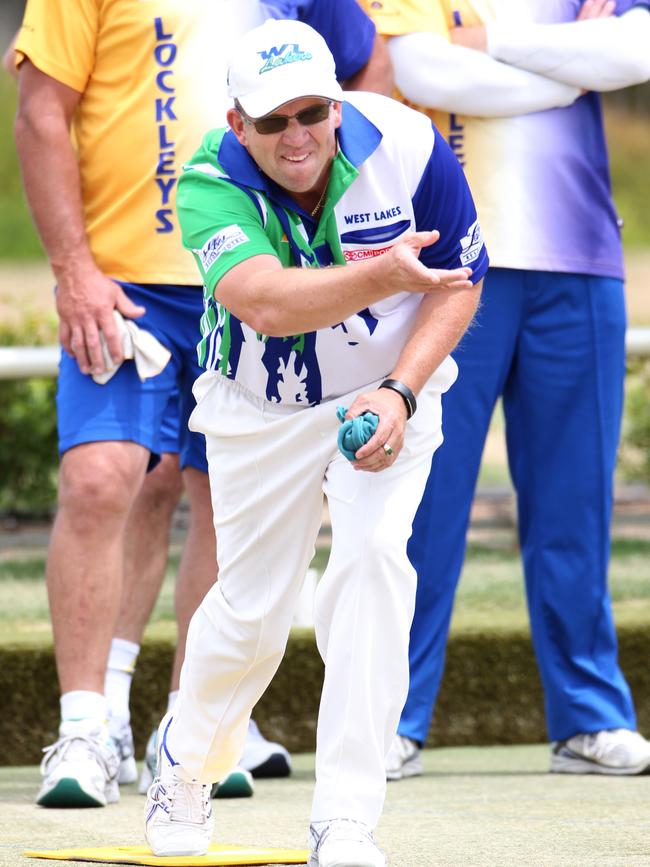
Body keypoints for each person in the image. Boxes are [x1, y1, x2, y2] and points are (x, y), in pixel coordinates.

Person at [12, 0, 392, 809]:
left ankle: (194, 727)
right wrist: (73, 270)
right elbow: (43, 108)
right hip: (127, 282)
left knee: (228, 503)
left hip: (255, 280)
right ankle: (88, 723)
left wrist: (337, 223)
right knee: (103, 480)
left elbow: (367, 69)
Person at [143, 17, 486, 866]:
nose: (295, 137)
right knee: (253, 611)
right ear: (238, 125)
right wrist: (382, 272)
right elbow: (266, 301)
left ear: (337, 105)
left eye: (310, 113)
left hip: (388, 390)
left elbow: (461, 280)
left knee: (373, 565)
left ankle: (346, 818)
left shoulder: (408, 143)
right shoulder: (206, 181)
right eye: (272, 121)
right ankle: (186, 765)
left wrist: (403, 389)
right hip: (259, 405)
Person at [359, 0, 650, 779]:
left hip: (580, 260)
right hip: (454, 267)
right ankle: (395, 717)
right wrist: (564, 69)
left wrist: (490, 44)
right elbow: (421, 68)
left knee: (575, 505)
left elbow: (635, 54)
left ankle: (590, 716)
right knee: (427, 504)